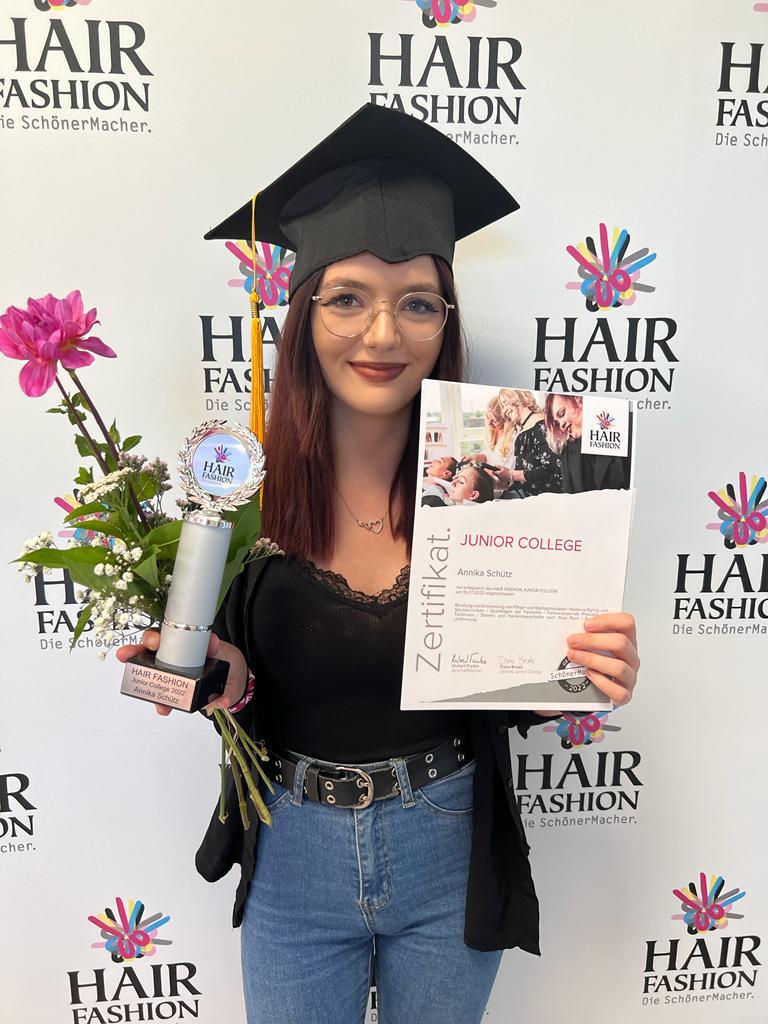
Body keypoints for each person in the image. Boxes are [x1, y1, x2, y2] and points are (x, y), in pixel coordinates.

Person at [117, 104, 640, 1024]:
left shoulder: (506, 484)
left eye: (418, 301)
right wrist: (207, 671)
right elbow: (242, 689)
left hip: (447, 843)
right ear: (303, 313)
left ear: (446, 320)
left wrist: (578, 672)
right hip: (293, 849)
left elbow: (503, 685)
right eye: (349, 297)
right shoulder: (241, 495)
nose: (384, 333)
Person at [543, 393, 631, 492]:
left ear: (578, 399)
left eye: (562, 413)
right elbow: (568, 495)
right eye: (557, 423)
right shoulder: (567, 451)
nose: (561, 425)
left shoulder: (626, 425)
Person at [493, 388, 561, 497]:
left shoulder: (542, 426)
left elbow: (550, 469)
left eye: (505, 402)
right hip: (529, 496)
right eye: (502, 405)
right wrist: (496, 482)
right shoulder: (522, 434)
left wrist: (511, 475)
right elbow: (523, 478)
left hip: (547, 497)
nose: (504, 410)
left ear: (519, 398)